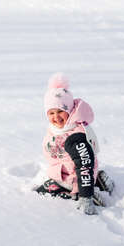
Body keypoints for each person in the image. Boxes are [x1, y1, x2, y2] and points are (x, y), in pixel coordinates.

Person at [35, 73, 114, 215]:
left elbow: (84, 165)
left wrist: (85, 197)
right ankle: (97, 181)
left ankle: (90, 191)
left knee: (42, 194)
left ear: (70, 110)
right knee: (39, 192)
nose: (56, 117)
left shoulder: (75, 136)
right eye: (51, 113)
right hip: (63, 172)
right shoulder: (58, 128)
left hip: (75, 179)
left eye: (60, 111)